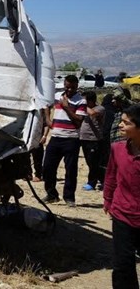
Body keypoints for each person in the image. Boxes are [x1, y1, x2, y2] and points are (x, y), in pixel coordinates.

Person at [103, 104, 140, 289]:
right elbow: (110, 175)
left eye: (126, 123)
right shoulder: (117, 148)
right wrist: (107, 200)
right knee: (122, 265)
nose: (120, 126)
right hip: (122, 215)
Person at [41, 75, 86, 207]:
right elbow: (46, 105)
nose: (69, 89)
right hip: (56, 137)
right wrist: (48, 119)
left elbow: (78, 122)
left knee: (70, 170)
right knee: (48, 167)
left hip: (71, 139)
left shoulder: (81, 101)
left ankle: (69, 197)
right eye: (67, 86)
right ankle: (51, 194)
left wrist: (66, 107)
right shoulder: (57, 96)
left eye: (72, 87)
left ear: (77, 86)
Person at [79, 91, 105, 191]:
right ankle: (102, 180)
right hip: (83, 139)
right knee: (89, 162)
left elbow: (93, 114)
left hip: (94, 139)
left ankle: (92, 182)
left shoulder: (100, 109)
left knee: (94, 162)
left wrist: (82, 104)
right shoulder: (84, 110)